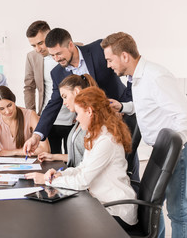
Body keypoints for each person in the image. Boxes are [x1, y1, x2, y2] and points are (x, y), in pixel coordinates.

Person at [101, 32, 187, 238]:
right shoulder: (137, 78)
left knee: (177, 212)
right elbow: (146, 106)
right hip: (160, 151)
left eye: (109, 59)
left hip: (176, 152)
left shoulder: (156, 76)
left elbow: (183, 115)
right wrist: (123, 106)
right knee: (153, 206)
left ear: (124, 56)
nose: (108, 65)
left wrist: (174, 148)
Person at [25, 86, 138, 228]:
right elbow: (82, 168)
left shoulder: (106, 141)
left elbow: (82, 181)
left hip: (116, 211)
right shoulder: (96, 135)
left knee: (63, 223)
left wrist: (48, 181)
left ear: (89, 111)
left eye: (78, 113)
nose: (76, 118)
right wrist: (60, 174)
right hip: (101, 203)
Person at [23, 27, 133, 157]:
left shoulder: (98, 49)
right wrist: (36, 136)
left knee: (127, 160)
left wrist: (123, 104)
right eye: (52, 55)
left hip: (121, 117)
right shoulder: (57, 73)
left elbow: (129, 69)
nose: (56, 59)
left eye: (59, 53)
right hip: (93, 127)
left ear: (70, 45)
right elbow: (53, 104)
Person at [24, 21, 75, 154]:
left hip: (74, 118)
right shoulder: (32, 57)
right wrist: (33, 115)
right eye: (33, 45)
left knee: (74, 159)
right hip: (49, 118)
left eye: (40, 43)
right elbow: (29, 87)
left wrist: (81, 111)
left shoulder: (72, 50)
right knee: (50, 159)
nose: (38, 49)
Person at [37, 73, 97, 168]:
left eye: (65, 97)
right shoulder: (79, 121)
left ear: (76, 91)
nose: (64, 103)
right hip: (76, 175)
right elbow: (79, 157)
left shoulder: (92, 122)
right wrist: (53, 156)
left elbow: (88, 164)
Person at [0, 86, 50, 158]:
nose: (7, 111)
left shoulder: (30, 115)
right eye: (2, 108)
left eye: (9, 105)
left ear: (14, 100)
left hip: (27, 162)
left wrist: (13, 152)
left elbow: (45, 149)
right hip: (2, 164)